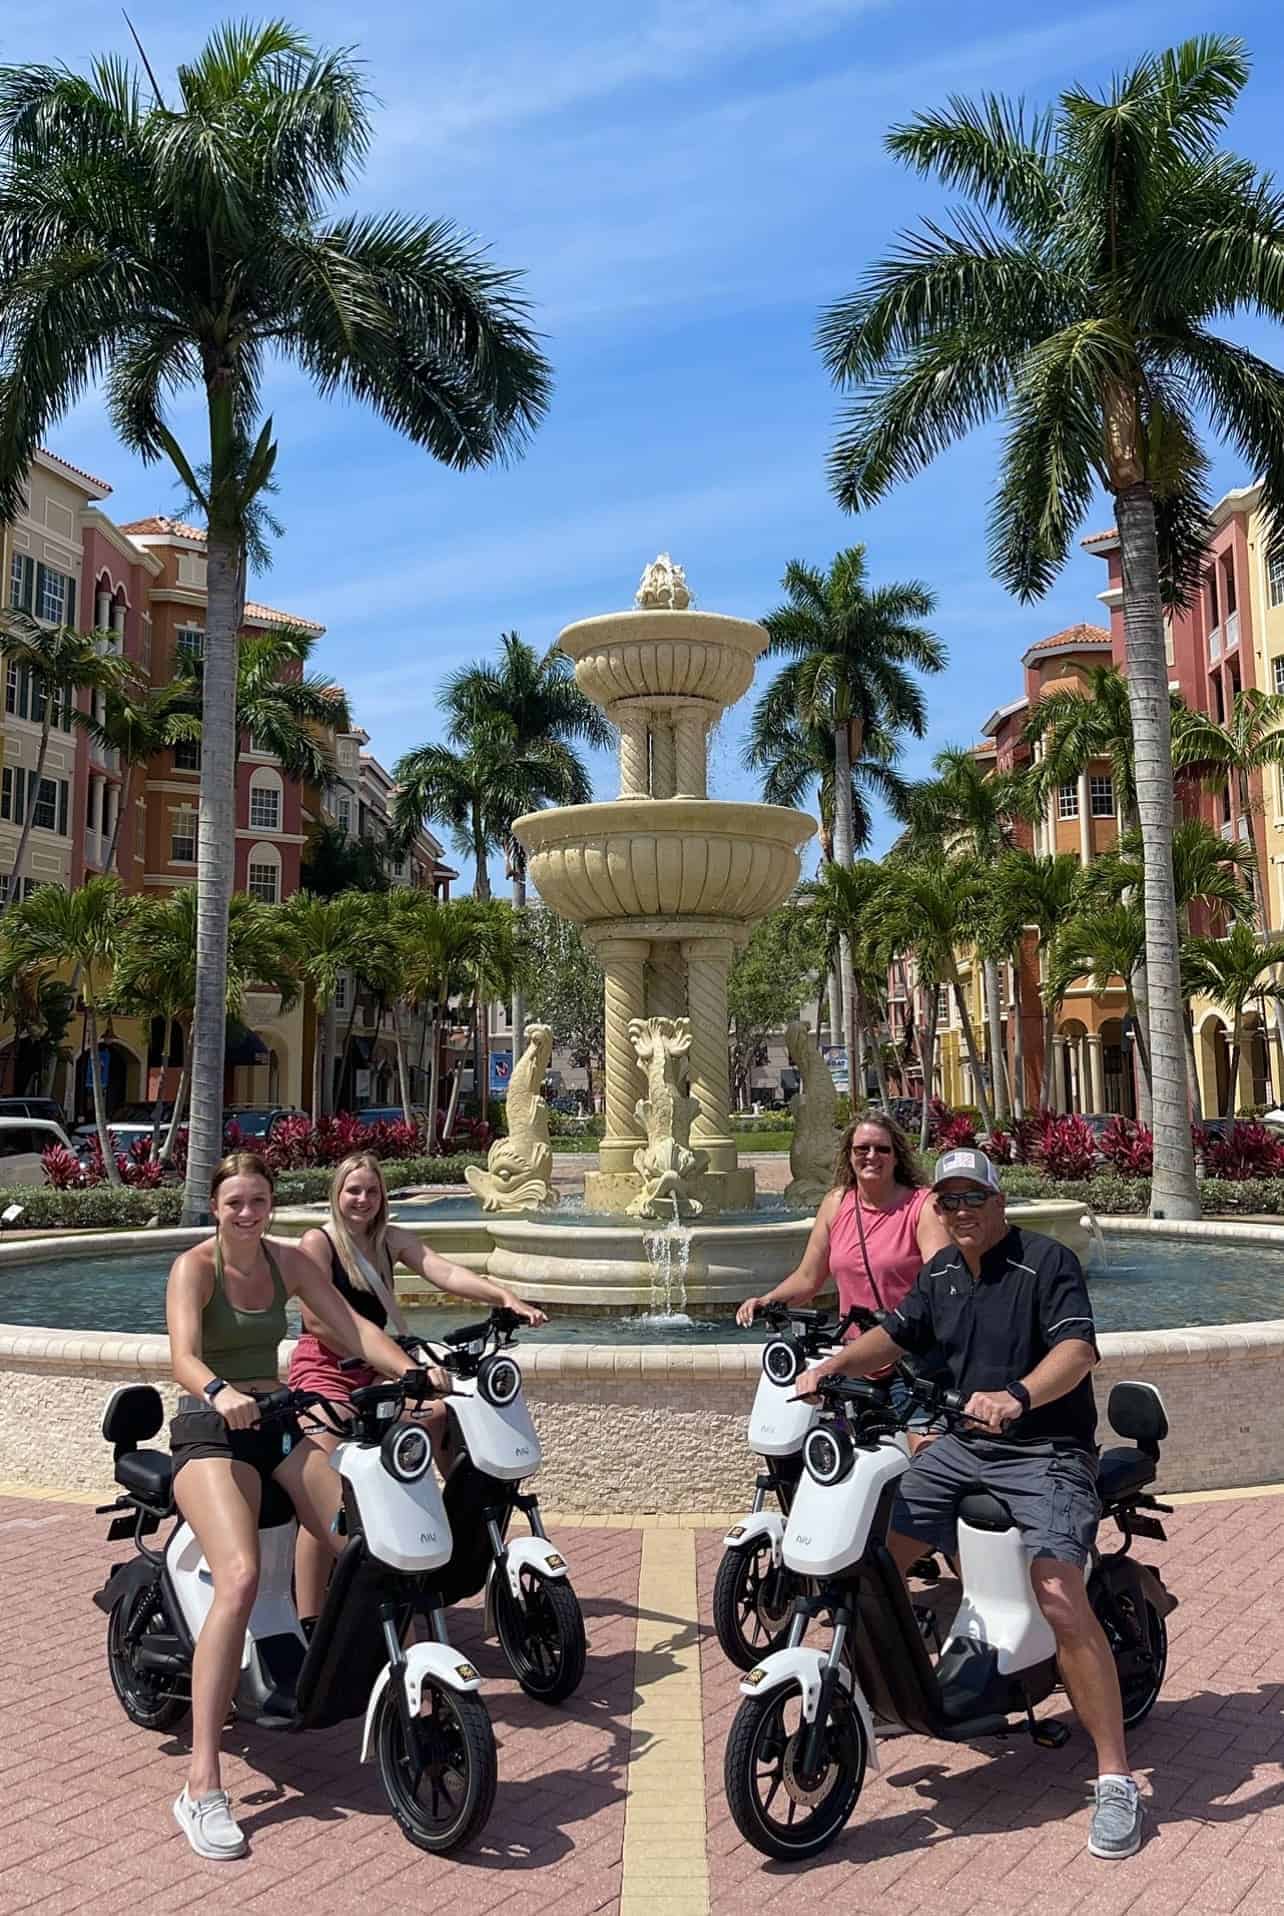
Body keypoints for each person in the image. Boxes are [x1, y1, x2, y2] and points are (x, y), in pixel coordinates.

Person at [797, 1146, 1145, 1862]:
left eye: (972, 1199)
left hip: (1045, 1448)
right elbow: (897, 1334)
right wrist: (833, 1367)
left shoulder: (1046, 1264)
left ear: (999, 1202)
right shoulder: (944, 1272)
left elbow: (1078, 1352)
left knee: (1056, 1591)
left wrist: (1017, 1396)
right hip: (962, 1446)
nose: (959, 1212)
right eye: (948, 1202)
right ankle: (882, 1685)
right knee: (877, 1555)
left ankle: (1115, 1777)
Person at [165, 1150, 426, 1862]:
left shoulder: (288, 1260)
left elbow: (352, 1328)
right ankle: (202, 1784)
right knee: (243, 1577)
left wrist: (416, 1374)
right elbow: (183, 1356)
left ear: (272, 1204)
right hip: (210, 1430)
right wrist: (221, 1392)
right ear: (216, 1208)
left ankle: (375, 1676)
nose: (247, 1214)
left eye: (258, 1202)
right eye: (234, 1204)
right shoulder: (197, 1267)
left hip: (275, 1421)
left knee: (369, 1540)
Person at [288, 1149, 548, 1621]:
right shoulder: (319, 1244)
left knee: (438, 1415)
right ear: (337, 1194)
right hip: (325, 1370)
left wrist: (503, 1295)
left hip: (377, 1367)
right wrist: (396, 1365)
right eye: (353, 1191)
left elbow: (442, 1270)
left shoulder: (388, 1240)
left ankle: (447, 1531)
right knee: (327, 1481)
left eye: (371, 1190)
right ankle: (310, 1621)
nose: (362, 1199)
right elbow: (316, 1321)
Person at [737, 1112, 951, 1422]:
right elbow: (809, 1277)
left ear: (896, 1156)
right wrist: (767, 1301)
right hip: (855, 1358)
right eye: (861, 1149)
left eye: (882, 1149)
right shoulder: (836, 1204)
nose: (871, 1156)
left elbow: (940, 1286)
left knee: (925, 1454)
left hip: (911, 1358)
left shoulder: (922, 1206)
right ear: (849, 1155)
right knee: (833, 1451)